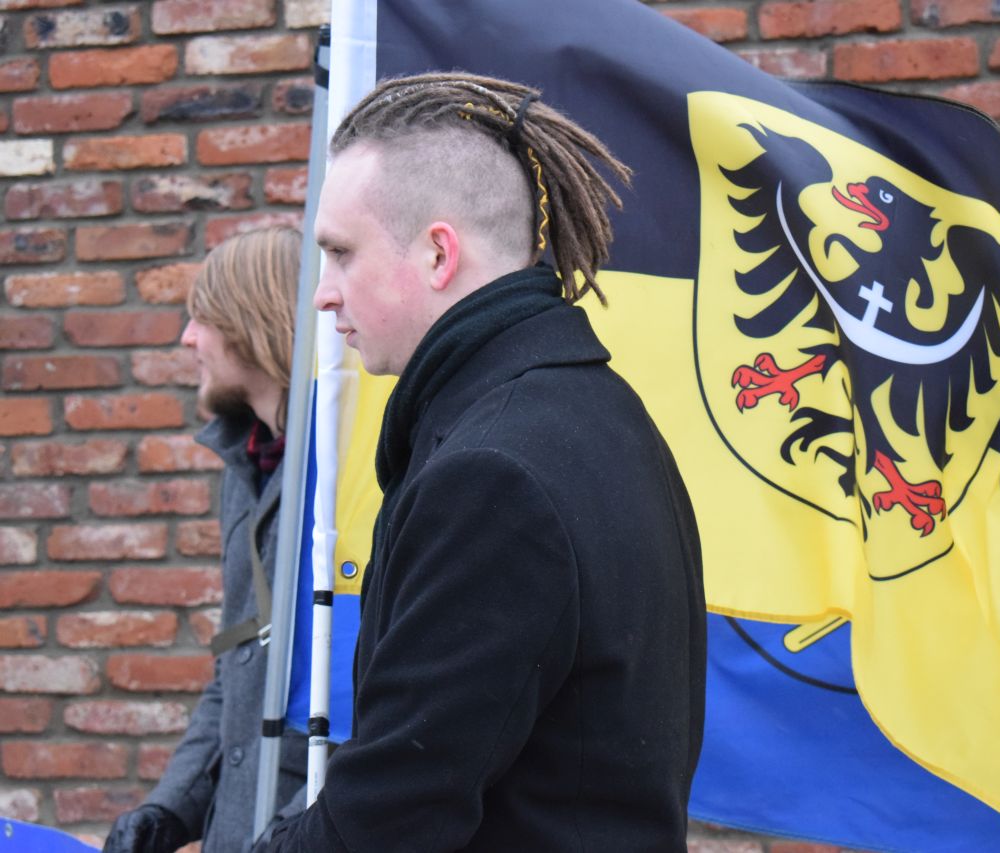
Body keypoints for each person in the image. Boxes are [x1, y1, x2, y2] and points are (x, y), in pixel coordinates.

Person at [256, 73, 706, 852]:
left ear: (439, 253)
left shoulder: (493, 475)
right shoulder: (605, 414)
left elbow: (384, 823)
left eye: (340, 253)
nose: (322, 295)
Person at [104, 228, 307, 853]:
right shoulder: (247, 466)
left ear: (252, 322)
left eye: (204, 319)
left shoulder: (342, 474)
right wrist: (168, 808)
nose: (188, 338)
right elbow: (236, 669)